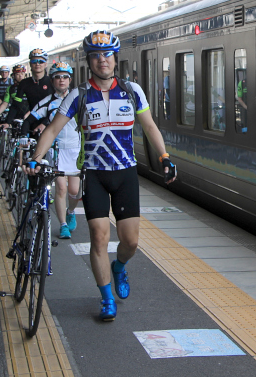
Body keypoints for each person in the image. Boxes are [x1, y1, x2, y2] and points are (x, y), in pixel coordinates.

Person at [26, 30, 176, 322]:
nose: (102, 60)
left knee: (130, 242)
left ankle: (119, 267)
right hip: (94, 174)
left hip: (125, 173)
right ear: (89, 61)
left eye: (107, 55)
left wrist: (164, 157)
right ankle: (106, 297)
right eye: (96, 56)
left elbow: (150, 127)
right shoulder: (78, 94)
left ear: (115, 59)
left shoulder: (132, 91)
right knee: (98, 237)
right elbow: (53, 129)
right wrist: (36, 158)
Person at [23, 62, 81, 239]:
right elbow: (30, 119)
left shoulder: (79, 99)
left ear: (70, 80)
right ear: (52, 80)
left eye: (65, 77)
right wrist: (25, 134)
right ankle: (63, 224)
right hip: (57, 151)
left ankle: (71, 211)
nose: (61, 80)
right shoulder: (47, 102)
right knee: (61, 188)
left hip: (77, 151)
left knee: (75, 191)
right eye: (57, 77)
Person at [3, 49, 53, 125]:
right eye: (34, 61)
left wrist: (45, 123)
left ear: (46, 64)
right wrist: (7, 122)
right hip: (31, 122)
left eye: (41, 61)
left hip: (50, 122)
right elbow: (16, 105)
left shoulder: (51, 82)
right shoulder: (24, 83)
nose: (37, 64)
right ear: (30, 64)